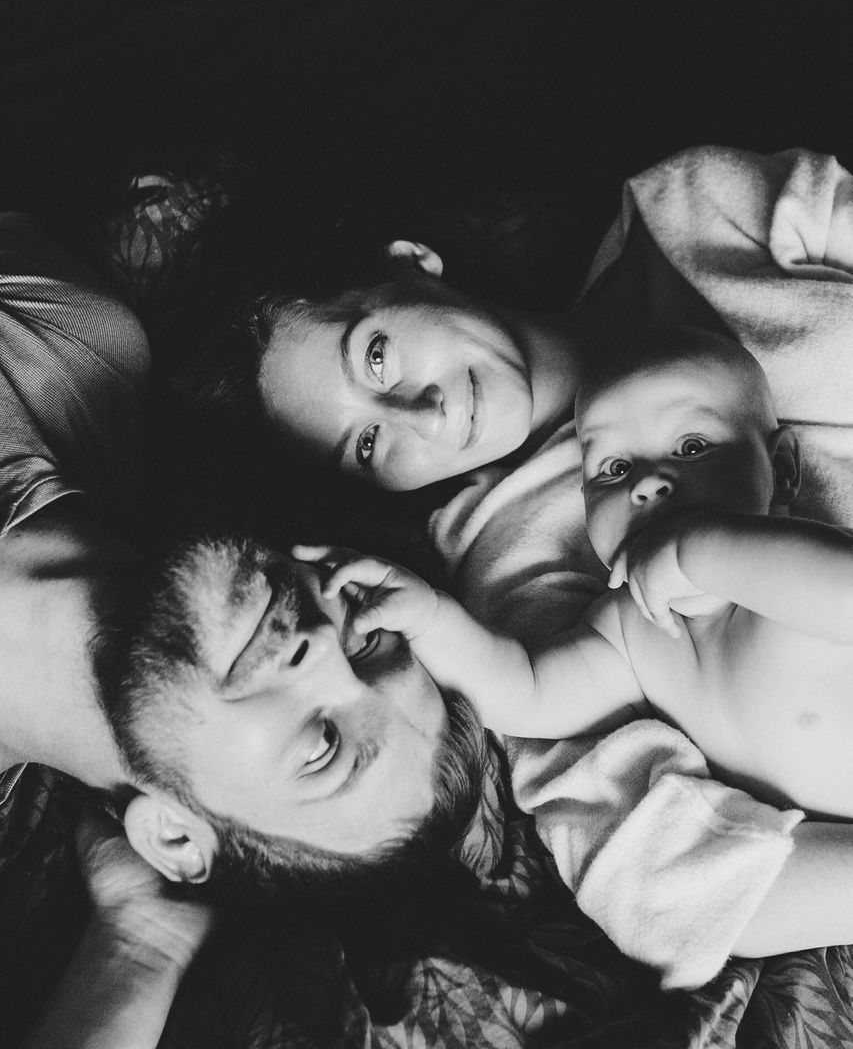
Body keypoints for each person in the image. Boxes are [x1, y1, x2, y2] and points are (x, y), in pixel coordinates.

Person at [192, 143, 853, 986]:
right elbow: (666, 881)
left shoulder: (692, 211)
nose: (422, 412)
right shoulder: (514, 568)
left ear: (411, 265)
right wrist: (431, 621)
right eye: (367, 443)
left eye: (377, 357)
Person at [0, 212, 480, 1044]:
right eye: (371, 643)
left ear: (175, 833)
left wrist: (138, 943)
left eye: (323, 746)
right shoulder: (78, 345)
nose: (323, 647)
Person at [297, 328, 853, 838]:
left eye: (692, 447)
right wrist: (432, 618)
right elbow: (527, 689)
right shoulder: (633, 631)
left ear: (781, 470)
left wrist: (698, 552)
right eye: (613, 468)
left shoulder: (793, 560)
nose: (649, 483)